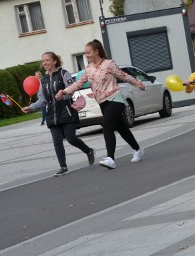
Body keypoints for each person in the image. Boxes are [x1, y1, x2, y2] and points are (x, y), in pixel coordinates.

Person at [57, 39, 146, 170]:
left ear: (96, 51)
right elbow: (78, 84)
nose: (86, 55)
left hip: (115, 98)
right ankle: (137, 149)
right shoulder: (88, 69)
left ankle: (110, 158)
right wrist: (64, 91)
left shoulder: (109, 64)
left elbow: (123, 76)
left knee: (107, 126)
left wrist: (138, 83)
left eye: (88, 53)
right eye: (85, 53)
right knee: (122, 128)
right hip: (102, 102)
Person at [22, 52, 95, 176]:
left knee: (71, 138)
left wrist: (63, 95)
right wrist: (31, 107)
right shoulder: (43, 80)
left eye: (47, 60)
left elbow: (72, 91)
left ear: (54, 61)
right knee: (57, 141)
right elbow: (42, 100)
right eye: (43, 61)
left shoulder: (63, 74)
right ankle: (63, 166)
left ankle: (88, 151)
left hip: (66, 113)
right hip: (52, 116)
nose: (44, 63)